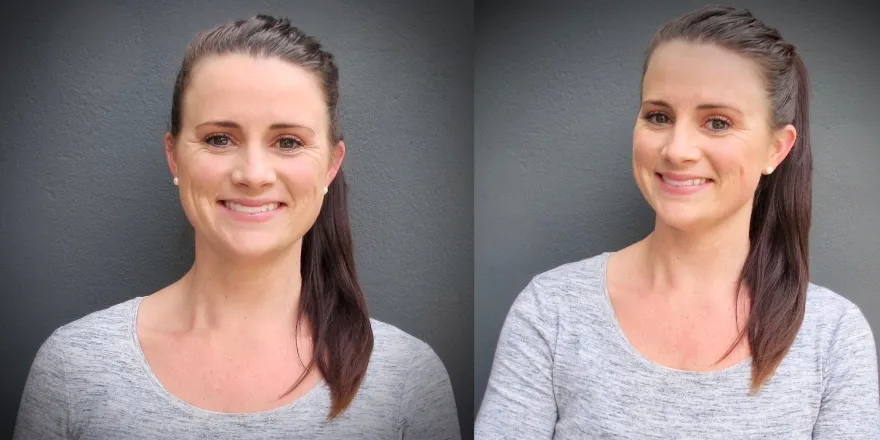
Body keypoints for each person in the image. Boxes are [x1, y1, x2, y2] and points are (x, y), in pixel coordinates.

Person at [14, 15, 460, 440]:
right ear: (174, 156)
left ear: (330, 165)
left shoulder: (406, 379)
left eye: (288, 142)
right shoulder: (74, 368)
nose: (253, 173)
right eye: (218, 139)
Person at [475, 5, 879, 439]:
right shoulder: (552, 310)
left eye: (718, 122)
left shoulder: (831, 334)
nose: (677, 149)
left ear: (776, 150)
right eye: (659, 116)